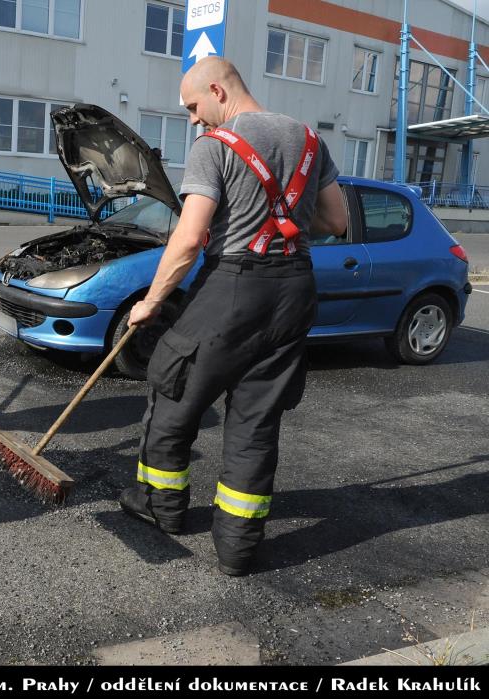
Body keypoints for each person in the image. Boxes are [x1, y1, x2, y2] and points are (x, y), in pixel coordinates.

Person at [118, 57, 348, 576]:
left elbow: (190, 237)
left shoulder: (213, 148)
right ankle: (238, 549)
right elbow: (336, 220)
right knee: (256, 420)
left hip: (233, 285)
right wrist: (283, 214)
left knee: (172, 389)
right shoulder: (311, 141)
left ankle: (161, 509)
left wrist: (151, 302)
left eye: (195, 107)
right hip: (294, 289)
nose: (195, 121)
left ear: (218, 91)